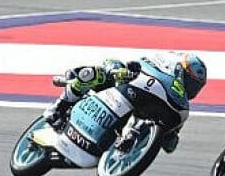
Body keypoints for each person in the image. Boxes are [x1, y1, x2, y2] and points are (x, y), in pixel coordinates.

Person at [45, 52, 207, 154]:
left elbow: (170, 147)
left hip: (133, 116)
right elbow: (121, 63)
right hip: (117, 88)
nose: (191, 88)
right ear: (179, 72)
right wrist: (120, 72)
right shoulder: (156, 67)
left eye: (196, 86)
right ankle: (58, 107)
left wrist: (170, 136)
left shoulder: (177, 108)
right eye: (190, 82)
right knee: (98, 73)